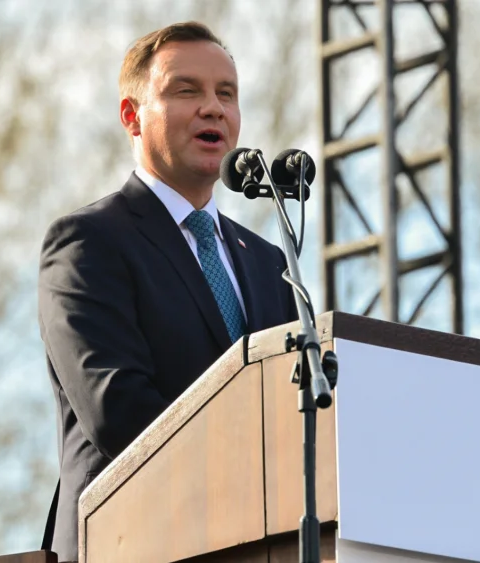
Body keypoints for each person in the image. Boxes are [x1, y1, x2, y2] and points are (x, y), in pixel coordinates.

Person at [37, 21, 298, 562]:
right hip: (127, 540)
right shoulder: (90, 242)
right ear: (132, 116)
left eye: (227, 94)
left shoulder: (269, 261)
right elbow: (120, 410)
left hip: (253, 543)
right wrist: (254, 473)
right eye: (187, 90)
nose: (214, 108)